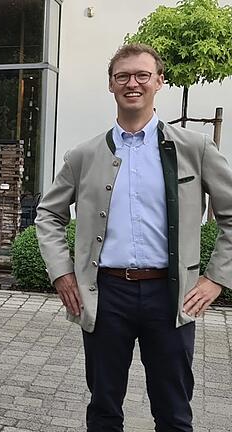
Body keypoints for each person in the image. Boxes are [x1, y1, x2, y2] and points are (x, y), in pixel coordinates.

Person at [35, 43, 232, 431]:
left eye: (143, 75)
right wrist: (61, 273)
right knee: (104, 407)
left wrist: (216, 279)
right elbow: (48, 214)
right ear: (111, 85)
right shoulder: (84, 155)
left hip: (171, 296)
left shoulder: (195, 148)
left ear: (159, 81)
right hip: (108, 296)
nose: (133, 83)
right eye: (122, 76)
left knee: (174, 412)